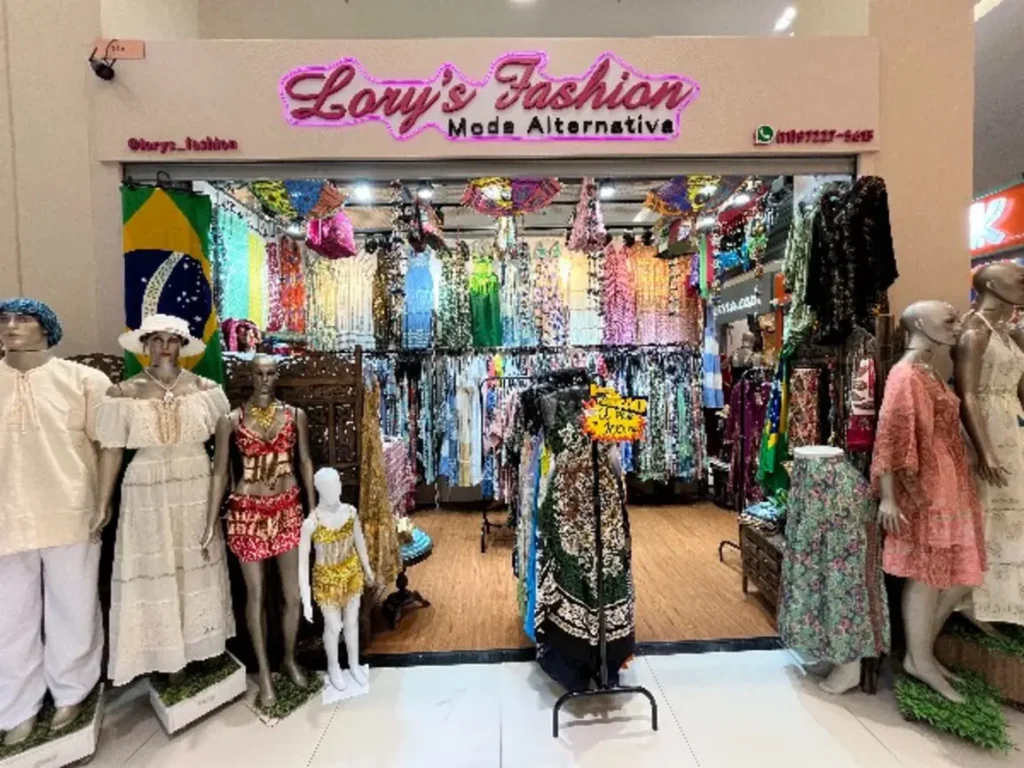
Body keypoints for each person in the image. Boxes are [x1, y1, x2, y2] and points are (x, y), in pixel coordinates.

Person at [93, 314, 235, 686]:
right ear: (145, 345)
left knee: (196, 560)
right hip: (146, 487)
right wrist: (102, 503)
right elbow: (111, 450)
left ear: (183, 346)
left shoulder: (205, 389)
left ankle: (204, 646)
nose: (164, 347)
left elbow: (225, 449)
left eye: (172, 340)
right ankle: (168, 657)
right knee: (156, 565)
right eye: (156, 339)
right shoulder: (123, 393)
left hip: (195, 483)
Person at [0, 298, 109, 746]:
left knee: (74, 605)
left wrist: (103, 502)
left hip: (71, 510)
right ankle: (16, 706)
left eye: (23, 319)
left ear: (46, 328)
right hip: (7, 516)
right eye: (4, 319)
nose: (11, 326)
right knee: (9, 618)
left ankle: (72, 691)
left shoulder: (84, 381)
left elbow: (107, 445)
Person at [207, 354, 314, 708]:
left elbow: (305, 461)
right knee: (256, 595)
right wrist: (209, 522)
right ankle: (264, 674)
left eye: (270, 373)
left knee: (293, 595)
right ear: (250, 376)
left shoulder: (295, 415)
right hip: (247, 512)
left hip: (288, 507)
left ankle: (289, 659)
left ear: (277, 375)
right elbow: (219, 472)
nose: (265, 379)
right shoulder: (231, 420)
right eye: (259, 373)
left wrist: (313, 511)